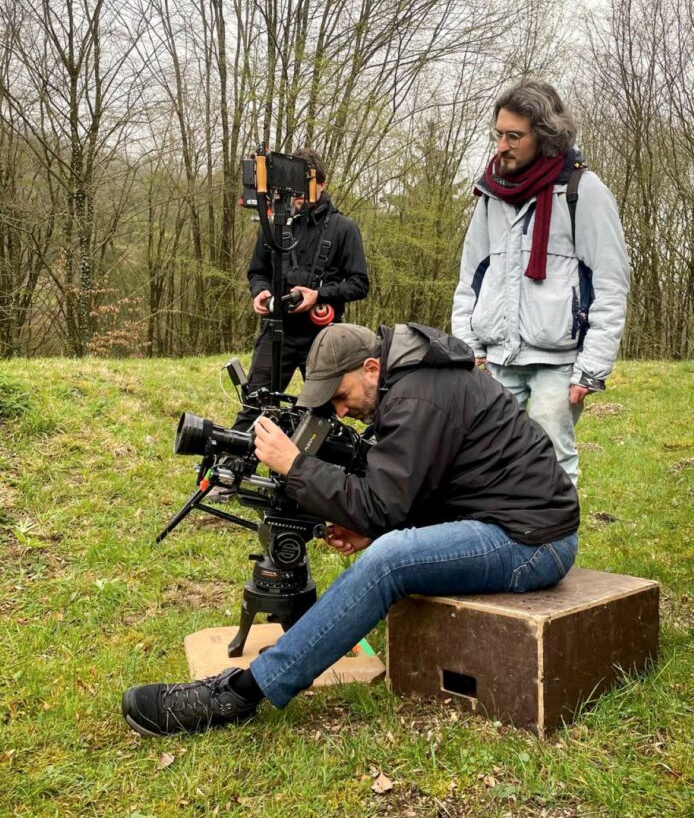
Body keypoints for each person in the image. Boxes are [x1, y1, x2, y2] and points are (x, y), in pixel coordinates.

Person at [122, 322, 579, 737]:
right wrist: (371, 527)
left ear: (372, 368)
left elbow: (384, 503)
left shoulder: (419, 395)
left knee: (388, 562)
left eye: (341, 395)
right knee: (385, 548)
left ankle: (240, 693)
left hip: (532, 542)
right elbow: (427, 486)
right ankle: (254, 680)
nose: (341, 411)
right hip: (505, 521)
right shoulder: (421, 381)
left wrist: (295, 465)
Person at [451, 80, 629, 484]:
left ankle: (554, 546)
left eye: (514, 136)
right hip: (496, 359)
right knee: (486, 462)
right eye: (499, 134)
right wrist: (469, 350)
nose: (502, 146)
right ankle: (505, 544)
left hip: (559, 363)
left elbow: (610, 283)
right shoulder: (491, 194)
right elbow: (471, 279)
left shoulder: (584, 192)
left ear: (545, 137)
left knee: (550, 467)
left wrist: (591, 369)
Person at [234, 147, 369, 433]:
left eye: (304, 186)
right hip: (276, 330)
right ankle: (231, 467)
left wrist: (319, 295)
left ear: (322, 183)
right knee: (255, 407)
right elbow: (257, 271)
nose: (297, 195)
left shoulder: (343, 228)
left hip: (322, 338)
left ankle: (311, 473)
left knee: (319, 417)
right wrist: (259, 291)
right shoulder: (274, 224)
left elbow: (359, 284)